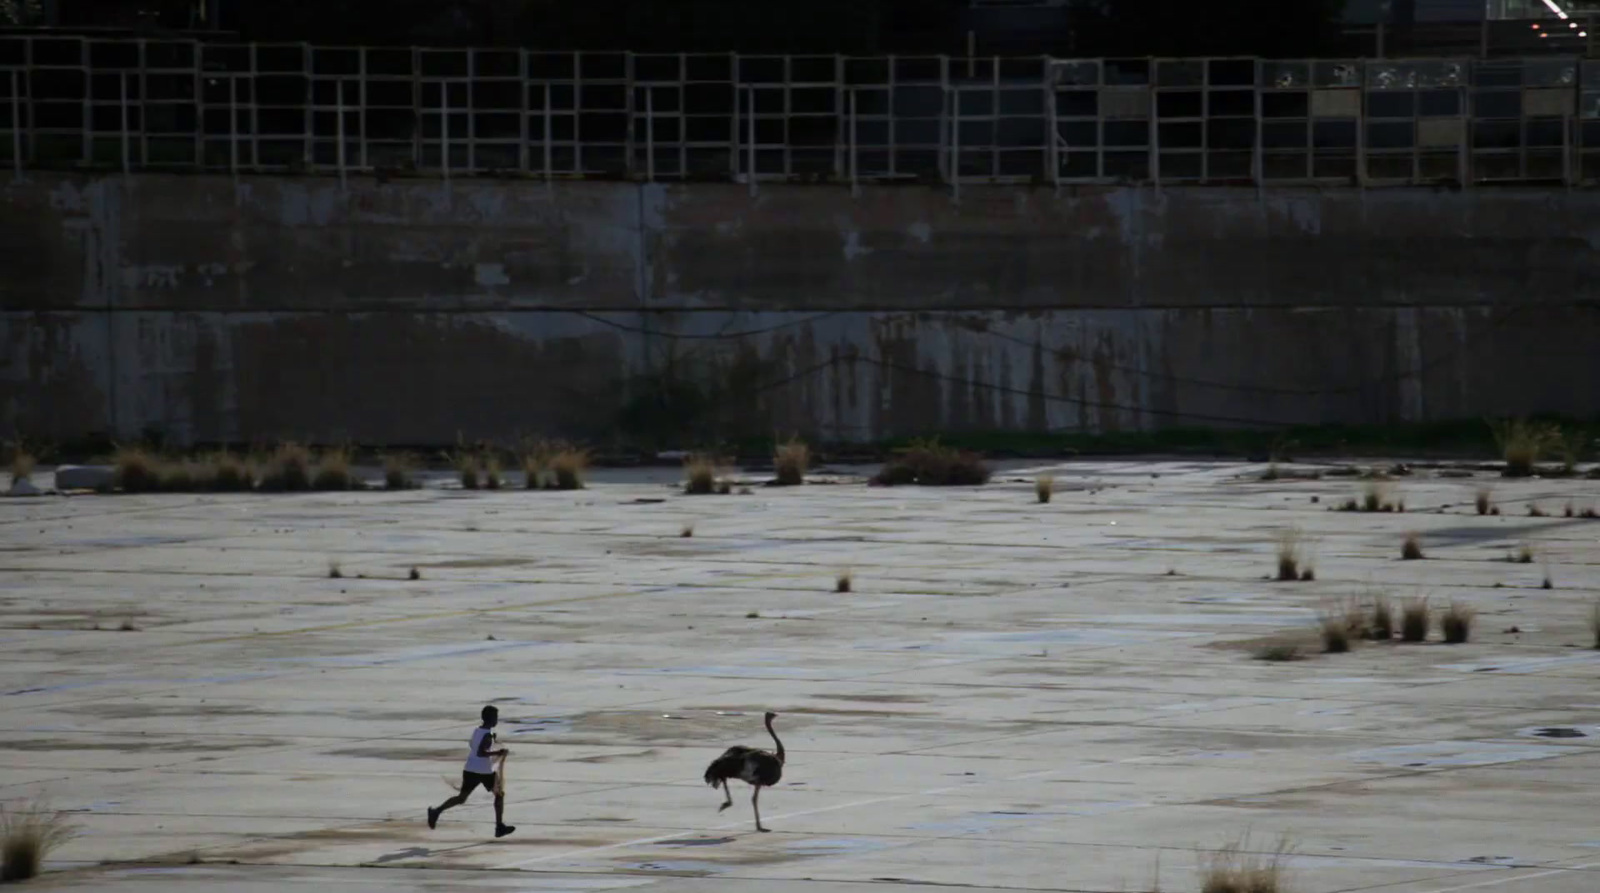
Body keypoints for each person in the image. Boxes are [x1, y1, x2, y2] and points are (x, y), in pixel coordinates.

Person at [428, 705, 514, 838]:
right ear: (491, 719)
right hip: (484, 771)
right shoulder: (487, 735)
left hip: (470, 769)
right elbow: (481, 752)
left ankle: (436, 811)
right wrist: (499, 752)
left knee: (461, 798)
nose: (497, 719)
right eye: (495, 717)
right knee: (499, 795)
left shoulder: (477, 731)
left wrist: (492, 739)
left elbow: (476, 746)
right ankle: (499, 826)